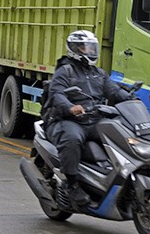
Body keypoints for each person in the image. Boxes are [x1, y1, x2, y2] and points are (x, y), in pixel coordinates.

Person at [44, 30, 133, 207]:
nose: (91, 51)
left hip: (94, 119)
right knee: (72, 139)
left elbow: (114, 91)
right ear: (75, 49)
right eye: (86, 47)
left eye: (93, 47)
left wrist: (132, 99)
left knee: (121, 135)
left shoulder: (98, 73)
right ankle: (72, 183)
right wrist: (71, 107)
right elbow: (56, 94)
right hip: (69, 120)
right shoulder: (65, 71)